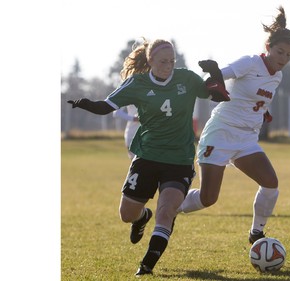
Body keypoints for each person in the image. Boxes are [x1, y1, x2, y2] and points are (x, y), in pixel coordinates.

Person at [67, 38, 230, 276]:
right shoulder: (137, 83)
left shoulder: (186, 78)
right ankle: (142, 217)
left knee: (167, 210)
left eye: (172, 61)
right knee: (127, 215)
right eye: (163, 61)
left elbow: (218, 95)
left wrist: (215, 73)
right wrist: (85, 104)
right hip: (147, 157)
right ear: (150, 60)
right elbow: (106, 106)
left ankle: (147, 266)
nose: (168, 65)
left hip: (179, 160)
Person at [178, 6, 290, 245]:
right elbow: (219, 76)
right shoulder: (251, 62)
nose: (283, 59)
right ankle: (169, 208)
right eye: (280, 52)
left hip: (246, 140)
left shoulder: (278, 75)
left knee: (271, 184)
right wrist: (214, 76)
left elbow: (255, 99)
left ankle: (256, 234)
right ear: (268, 48)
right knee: (208, 198)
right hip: (221, 132)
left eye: (289, 55)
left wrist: (264, 113)